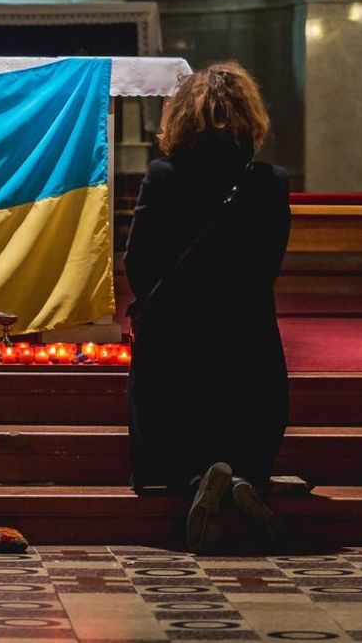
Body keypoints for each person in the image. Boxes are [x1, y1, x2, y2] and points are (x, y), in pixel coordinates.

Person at [124, 62, 291, 553]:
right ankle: (243, 475)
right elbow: (269, 264)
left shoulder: (163, 175)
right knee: (249, 403)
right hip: (247, 331)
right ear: (250, 116)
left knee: (168, 402)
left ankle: (197, 477)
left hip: (176, 336)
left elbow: (138, 263)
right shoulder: (271, 181)